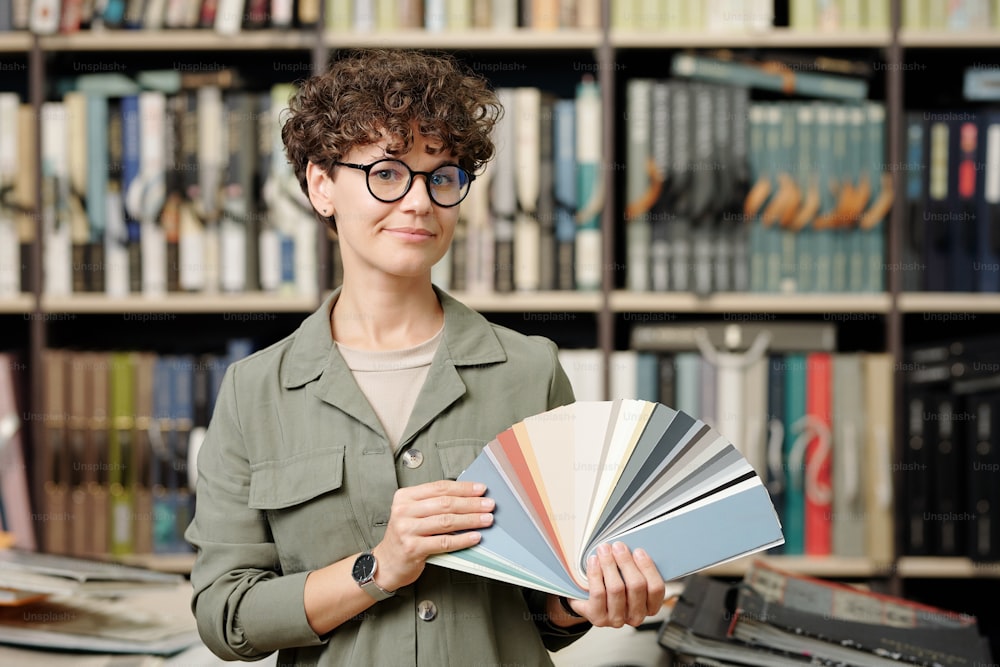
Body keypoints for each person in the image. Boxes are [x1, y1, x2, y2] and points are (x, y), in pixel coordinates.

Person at [185, 48, 665, 666]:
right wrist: (380, 566)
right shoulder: (254, 391)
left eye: (441, 176)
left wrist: (583, 602)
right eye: (387, 172)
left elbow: (545, 609)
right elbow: (227, 620)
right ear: (321, 185)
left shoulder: (531, 371)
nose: (418, 202)